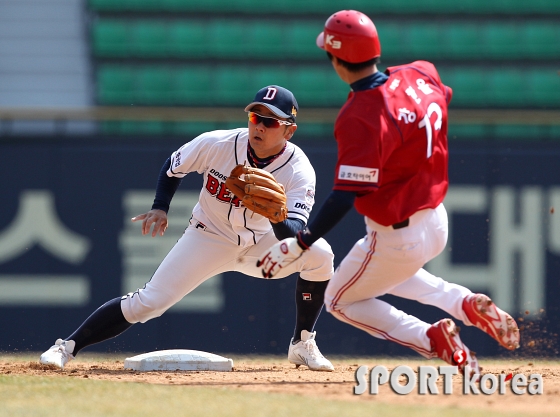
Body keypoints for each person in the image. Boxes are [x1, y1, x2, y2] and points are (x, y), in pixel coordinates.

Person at [256, 11, 520, 375]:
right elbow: (440, 98)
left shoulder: (360, 115)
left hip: (396, 234)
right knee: (391, 274)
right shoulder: (421, 72)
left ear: (335, 59)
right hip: (435, 219)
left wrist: (302, 241)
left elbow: (345, 194)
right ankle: (464, 303)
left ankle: (432, 339)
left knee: (339, 300)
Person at [40, 85, 335, 372]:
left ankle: (302, 342)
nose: (259, 127)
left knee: (321, 254)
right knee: (149, 303)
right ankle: (65, 347)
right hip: (209, 235)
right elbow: (173, 166)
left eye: (269, 121)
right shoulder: (216, 144)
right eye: (255, 118)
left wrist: (274, 216)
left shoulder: (298, 169)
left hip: (262, 243)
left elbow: (294, 234)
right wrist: (160, 206)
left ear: (289, 130)